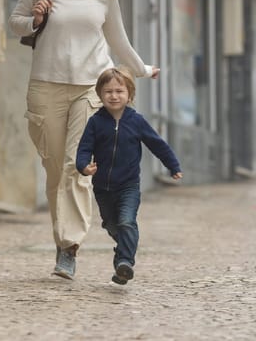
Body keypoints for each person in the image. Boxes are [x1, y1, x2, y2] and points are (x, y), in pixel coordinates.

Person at [8, 0, 160, 280]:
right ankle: (63, 239)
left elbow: (119, 40)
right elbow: (15, 22)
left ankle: (69, 247)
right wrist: (35, 20)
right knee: (54, 169)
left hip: (90, 87)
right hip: (45, 85)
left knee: (74, 167)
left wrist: (142, 70)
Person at [76, 67, 183, 285]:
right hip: (103, 188)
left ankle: (124, 262)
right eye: (108, 92)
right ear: (100, 94)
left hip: (128, 186)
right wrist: (84, 167)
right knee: (111, 225)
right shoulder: (96, 122)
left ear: (129, 94)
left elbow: (157, 144)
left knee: (126, 222)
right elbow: (84, 149)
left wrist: (173, 165)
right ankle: (125, 248)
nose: (113, 96)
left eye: (119, 91)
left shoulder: (137, 121)